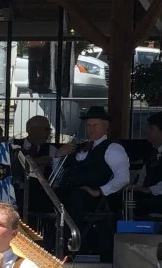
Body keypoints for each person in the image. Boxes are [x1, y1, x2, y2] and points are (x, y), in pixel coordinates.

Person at [54, 105, 130, 254]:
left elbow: (123, 177)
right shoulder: (78, 147)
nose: (91, 129)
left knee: (76, 198)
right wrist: (59, 155)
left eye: (95, 125)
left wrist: (99, 191)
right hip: (67, 192)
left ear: (105, 127)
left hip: (93, 199)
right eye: (88, 125)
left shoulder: (113, 148)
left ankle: (72, 248)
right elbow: (59, 172)